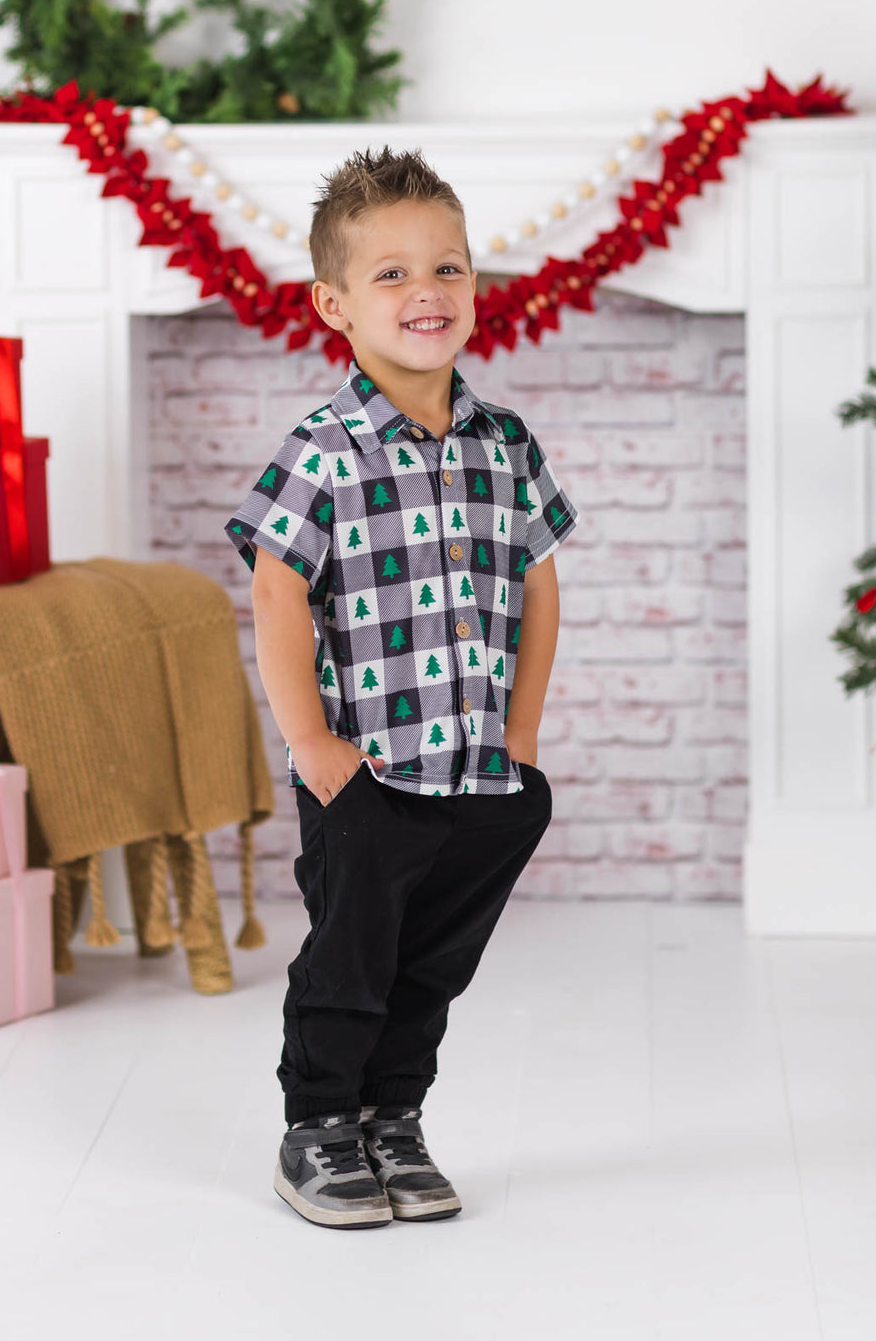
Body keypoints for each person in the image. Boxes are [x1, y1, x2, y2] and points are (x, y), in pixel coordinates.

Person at [225, 146, 579, 1229]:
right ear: (333, 303)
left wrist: (520, 736)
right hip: (369, 773)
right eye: (391, 275)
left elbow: (538, 585)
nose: (426, 293)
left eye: (448, 269)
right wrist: (316, 749)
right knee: (351, 957)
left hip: (479, 771)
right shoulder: (322, 453)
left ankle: (393, 1116)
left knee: (430, 965)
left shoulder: (503, 444)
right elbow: (277, 598)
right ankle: (318, 1126)